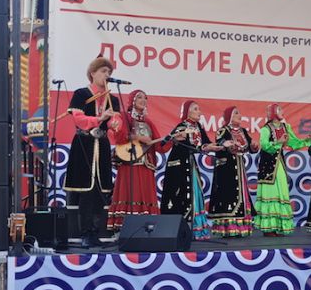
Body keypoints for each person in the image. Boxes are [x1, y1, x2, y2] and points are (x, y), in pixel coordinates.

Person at [63, 56, 120, 249]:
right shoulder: (81, 94)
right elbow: (78, 119)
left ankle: (96, 231)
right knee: (86, 190)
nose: (107, 75)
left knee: (100, 190)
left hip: (101, 144)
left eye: (109, 72)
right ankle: (85, 233)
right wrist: (99, 118)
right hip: (84, 144)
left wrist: (116, 124)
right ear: (93, 73)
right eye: (103, 71)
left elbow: (114, 124)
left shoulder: (112, 99)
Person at [107, 90, 172, 232]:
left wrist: (172, 139)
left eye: (145, 98)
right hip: (129, 164)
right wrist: (138, 137)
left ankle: (145, 230)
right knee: (130, 193)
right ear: (132, 101)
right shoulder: (124, 117)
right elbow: (119, 137)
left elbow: (159, 146)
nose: (143, 100)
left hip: (145, 165)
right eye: (140, 97)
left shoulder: (148, 122)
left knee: (145, 195)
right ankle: (124, 229)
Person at [255, 103, 311, 236]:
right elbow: (264, 146)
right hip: (268, 166)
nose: (282, 112)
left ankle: (280, 226)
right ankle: (269, 228)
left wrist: (307, 140)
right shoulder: (266, 129)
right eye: (279, 109)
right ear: (273, 112)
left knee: (282, 192)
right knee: (270, 193)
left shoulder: (286, 127)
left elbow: (294, 143)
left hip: (279, 164)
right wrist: (279, 142)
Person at [160, 100, 214, 240]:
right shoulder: (182, 127)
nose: (199, 112)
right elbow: (164, 144)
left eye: (199, 109)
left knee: (195, 192)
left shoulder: (198, 126)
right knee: (179, 194)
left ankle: (197, 229)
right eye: (196, 109)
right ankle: (178, 230)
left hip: (190, 164)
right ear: (187, 112)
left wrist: (220, 146)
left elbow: (205, 144)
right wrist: (176, 138)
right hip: (178, 166)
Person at [209, 106, 258, 238]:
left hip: (239, 167)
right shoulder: (223, 130)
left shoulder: (243, 131)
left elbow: (250, 146)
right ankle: (228, 228)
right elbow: (220, 142)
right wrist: (225, 144)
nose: (239, 115)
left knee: (241, 194)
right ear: (229, 116)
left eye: (239, 113)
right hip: (226, 169)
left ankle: (241, 227)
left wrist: (254, 146)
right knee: (228, 195)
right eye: (236, 113)